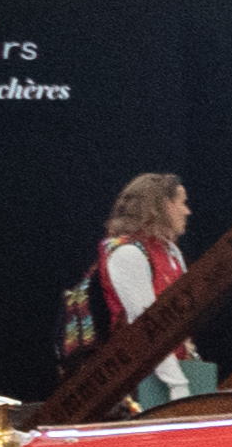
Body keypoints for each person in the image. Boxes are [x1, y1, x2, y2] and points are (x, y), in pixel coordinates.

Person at [75, 173, 217, 406]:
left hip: (173, 373)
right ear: (163, 204)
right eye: (182, 202)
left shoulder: (171, 252)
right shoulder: (127, 253)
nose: (187, 211)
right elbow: (148, 328)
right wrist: (178, 385)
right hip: (137, 381)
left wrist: (191, 366)